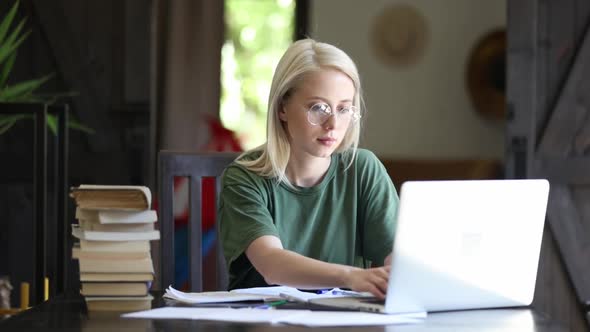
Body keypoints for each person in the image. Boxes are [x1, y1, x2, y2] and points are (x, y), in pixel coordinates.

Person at [218, 39, 398, 298]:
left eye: (344, 108)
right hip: (265, 320)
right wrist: (351, 276)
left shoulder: (363, 169)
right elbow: (271, 264)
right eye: (318, 108)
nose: (333, 123)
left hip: (346, 322)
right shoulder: (245, 177)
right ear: (282, 108)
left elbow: (397, 259)